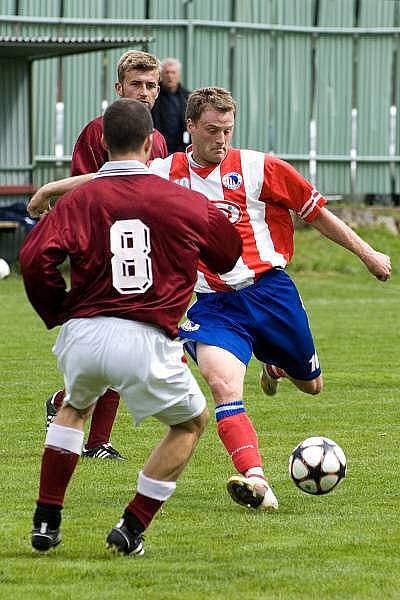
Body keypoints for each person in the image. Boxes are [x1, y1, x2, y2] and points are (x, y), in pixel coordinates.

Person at [27, 87, 392, 513]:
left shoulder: (259, 167)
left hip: (271, 294)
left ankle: (274, 363)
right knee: (223, 387)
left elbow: (315, 212)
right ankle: (256, 480)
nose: (221, 139)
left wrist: (368, 254)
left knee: (312, 386)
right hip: (214, 304)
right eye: (213, 131)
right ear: (191, 128)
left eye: (228, 131)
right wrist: (52, 188)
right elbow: (111, 177)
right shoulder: (167, 170)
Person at [20, 98, 242, 555]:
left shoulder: (79, 199)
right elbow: (227, 253)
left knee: (73, 407)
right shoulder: (184, 200)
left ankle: (46, 520)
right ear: (148, 144)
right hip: (146, 335)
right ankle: (132, 526)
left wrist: (57, 308)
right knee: (190, 424)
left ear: (103, 142)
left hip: (83, 332)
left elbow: (32, 257)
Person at [46, 49, 169, 461]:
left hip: (139, 253)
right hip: (100, 252)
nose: (146, 92)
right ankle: (89, 431)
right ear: (118, 88)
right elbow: (83, 188)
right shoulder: (96, 132)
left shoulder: (159, 140)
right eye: (137, 84)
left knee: (125, 343)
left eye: (151, 85)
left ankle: (86, 426)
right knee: (110, 345)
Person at [151, 57, 190, 153]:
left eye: (173, 72)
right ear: (161, 75)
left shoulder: (187, 97)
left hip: (181, 149)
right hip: (156, 148)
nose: (170, 76)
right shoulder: (152, 95)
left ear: (179, 75)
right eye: (167, 72)